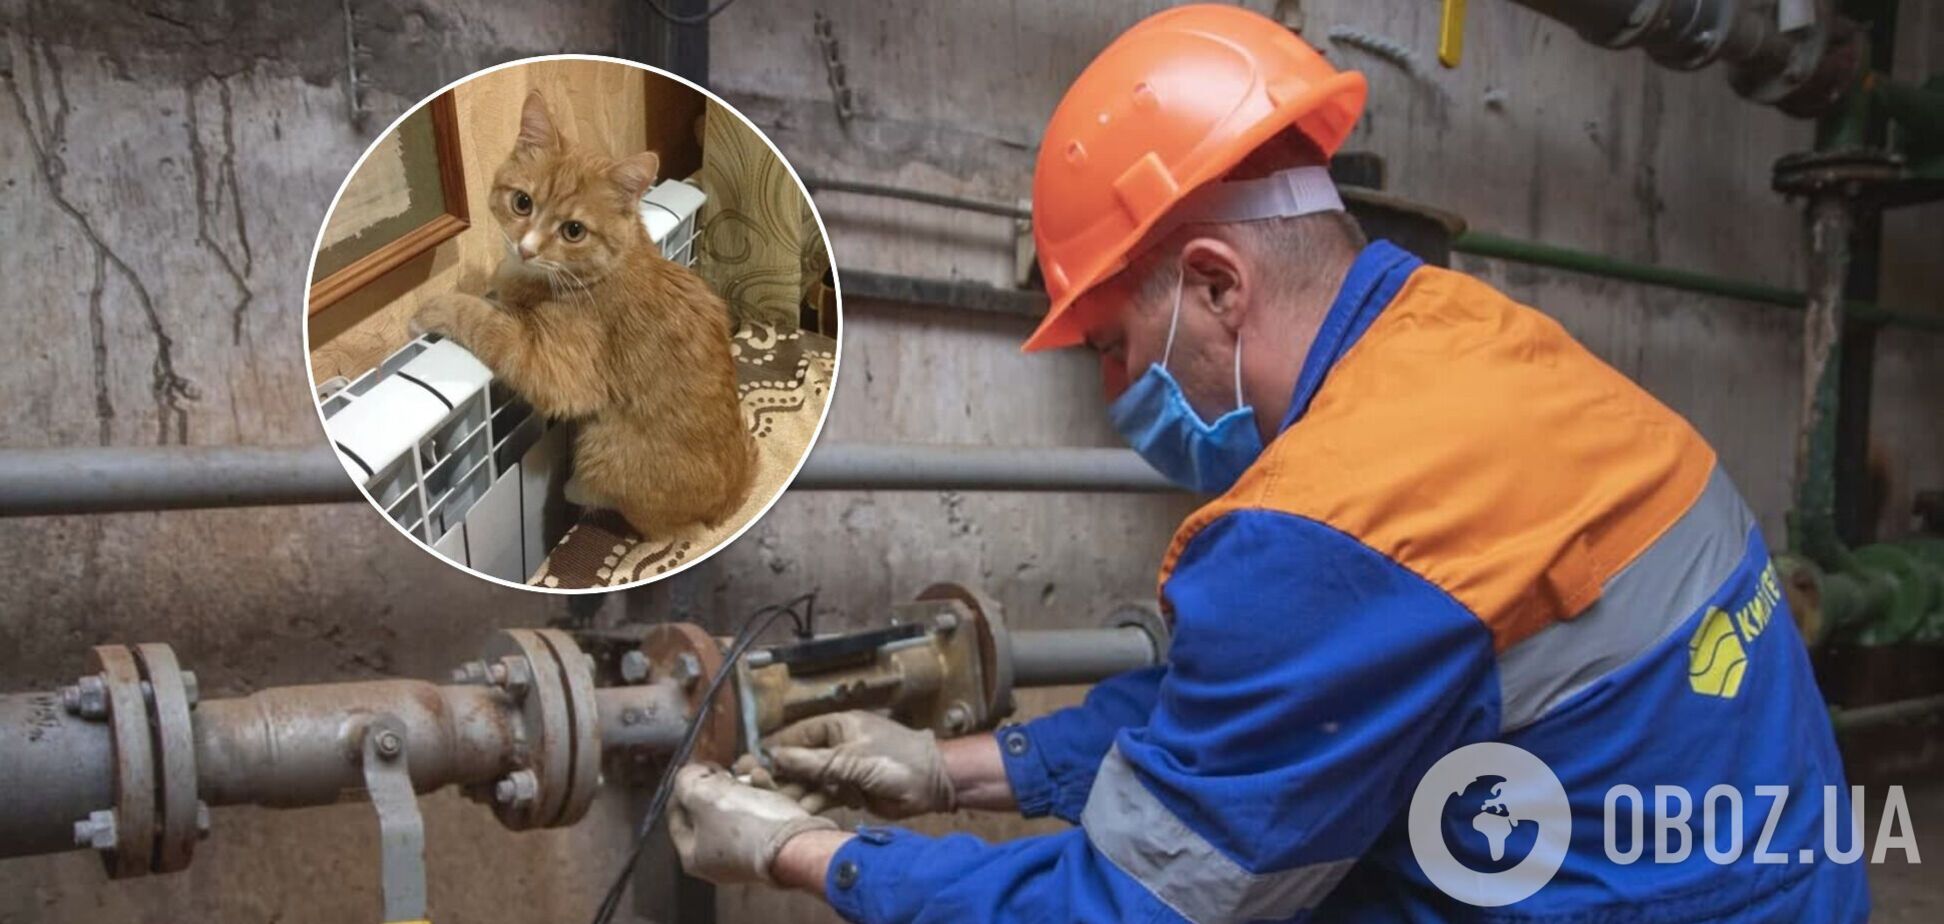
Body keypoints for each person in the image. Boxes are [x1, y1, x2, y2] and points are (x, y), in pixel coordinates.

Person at [668, 5, 1868, 921]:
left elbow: (1124, 904)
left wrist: (801, 850)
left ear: (1215, 286)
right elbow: (1273, 717)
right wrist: (953, 767)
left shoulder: (1332, 522)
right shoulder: (1470, 340)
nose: (1116, 389)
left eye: (1114, 342)